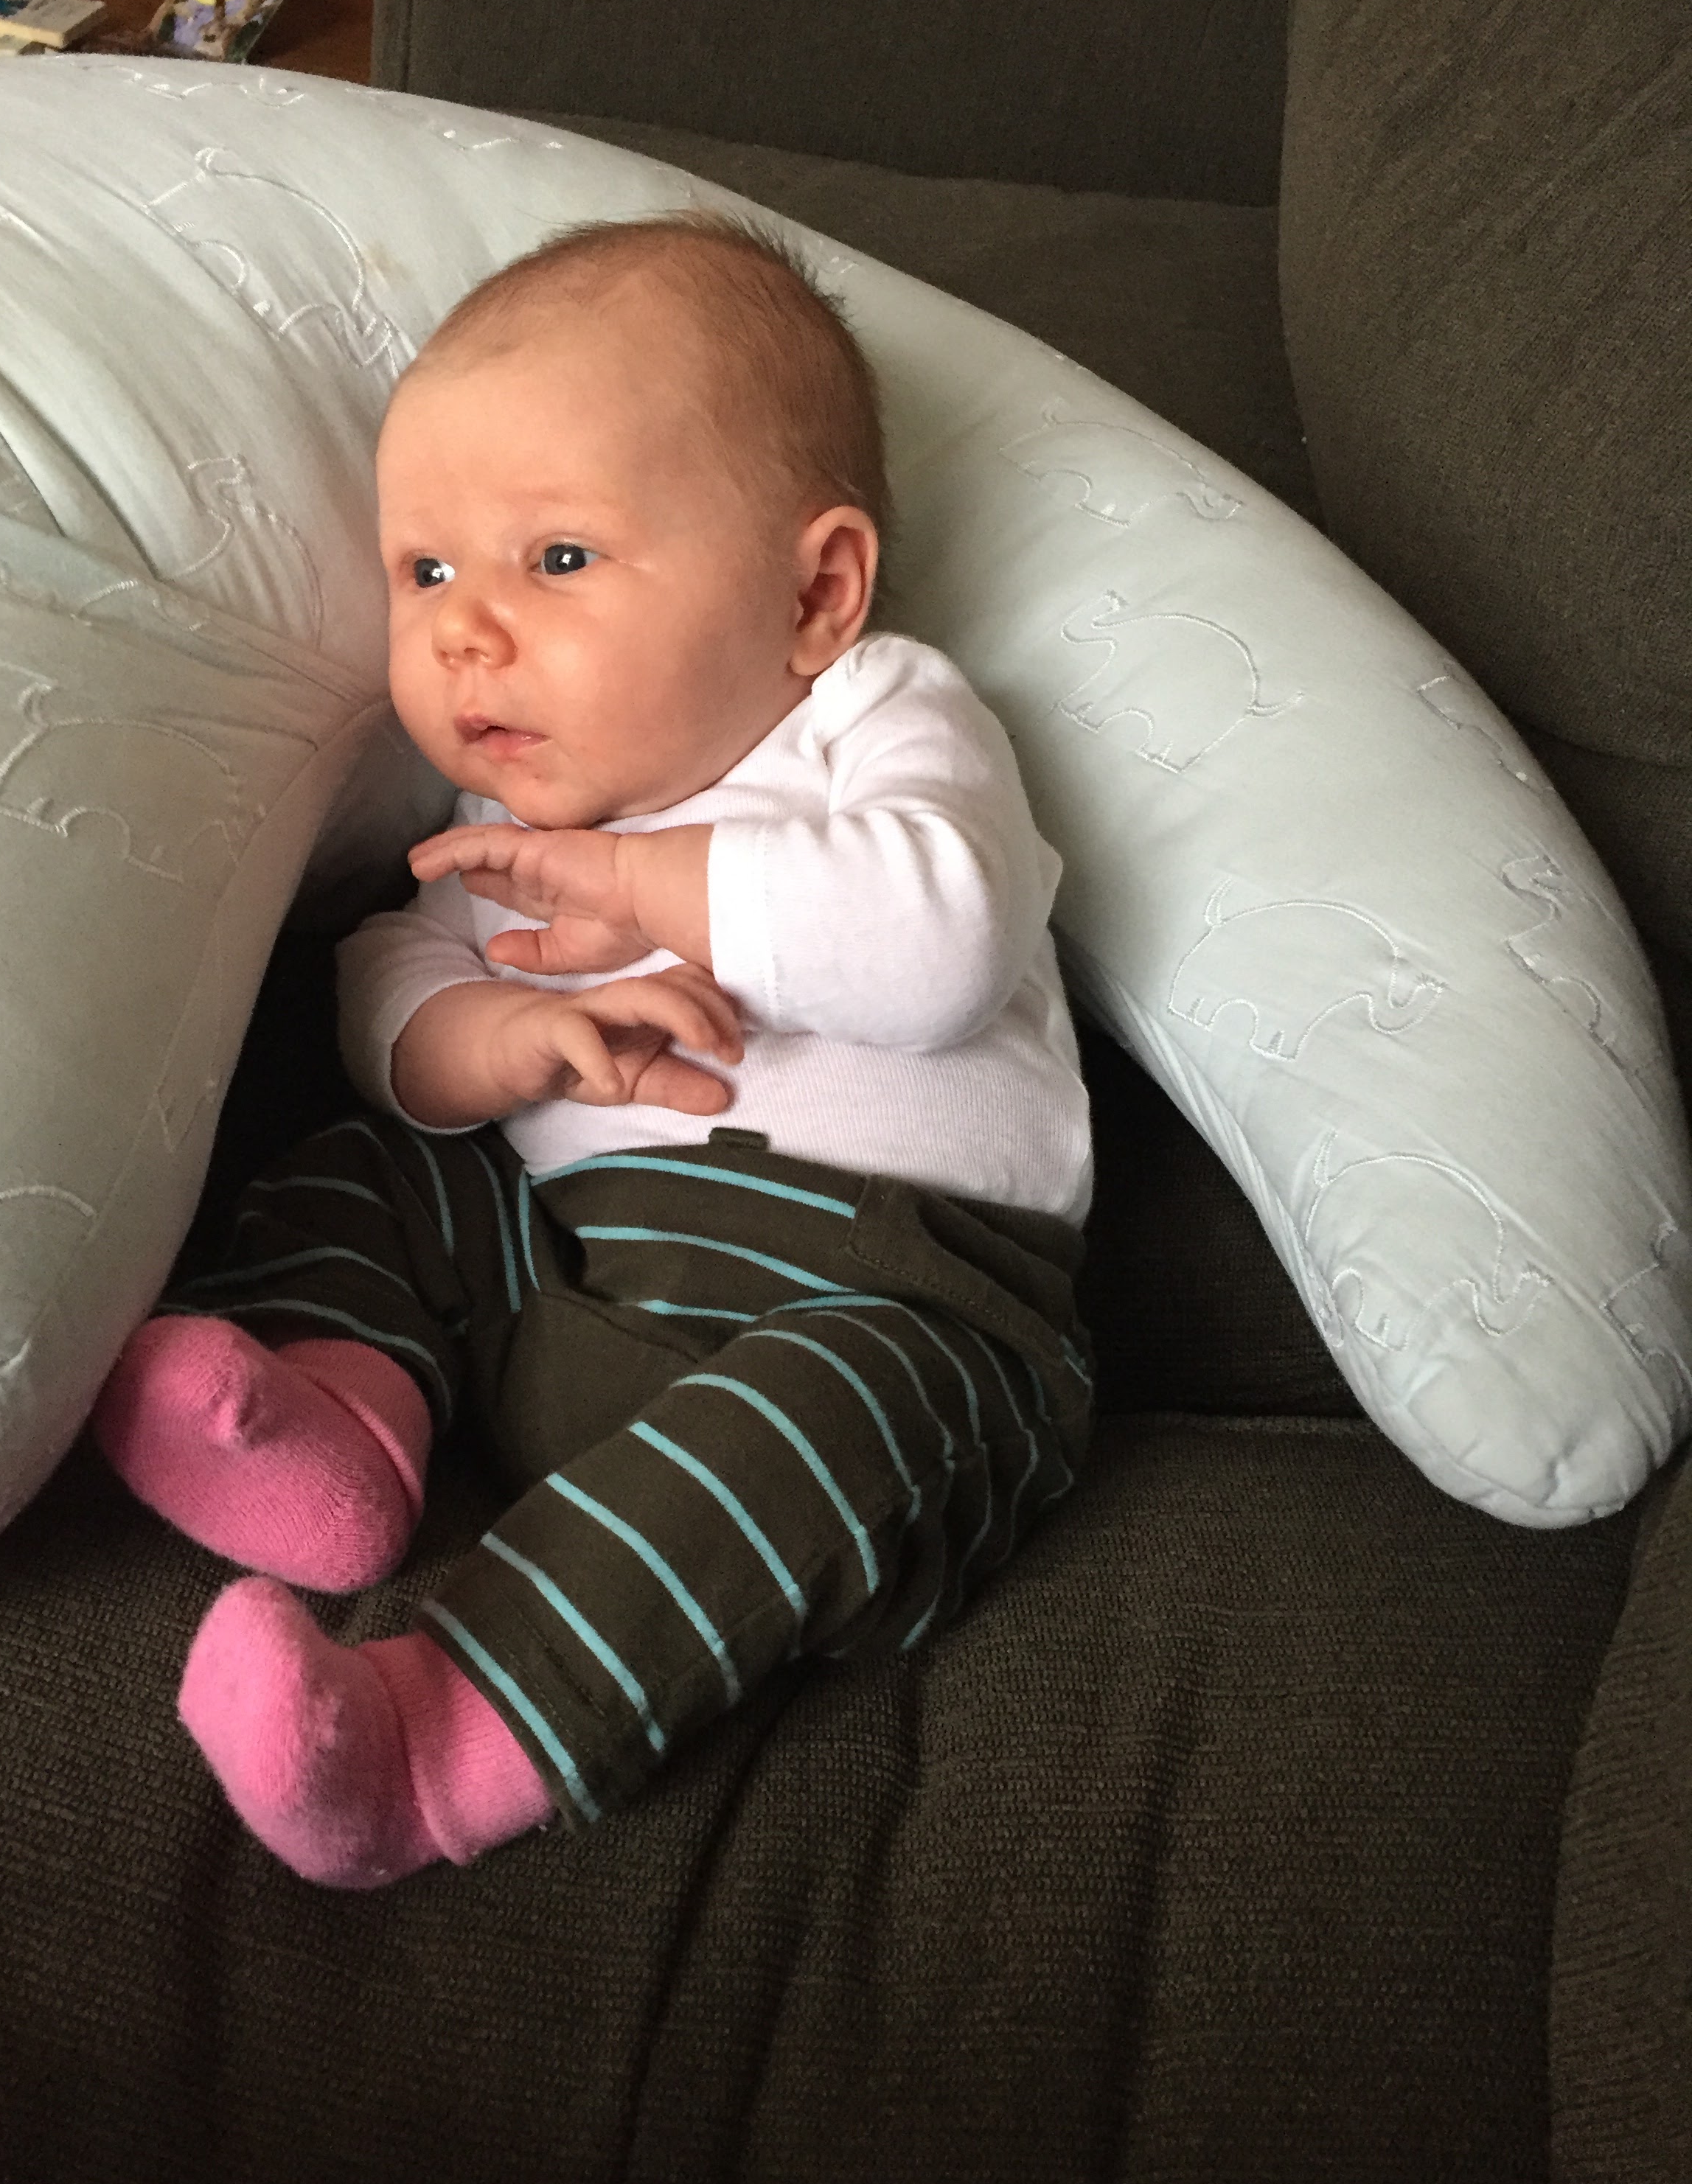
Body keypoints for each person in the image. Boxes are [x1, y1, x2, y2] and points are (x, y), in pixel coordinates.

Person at [92, 212, 1095, 1888]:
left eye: (555, 559)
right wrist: (511, 1039)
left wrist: (635, 886)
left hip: (893, 1301)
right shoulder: (493, 816)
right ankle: (340, 1425)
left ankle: (436, 1744)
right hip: (566, 1285)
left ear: (814, 592)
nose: (465, 632)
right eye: (427, 573)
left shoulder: (874, 721)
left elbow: (944, 941)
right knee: (384, 1158)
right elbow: (386, 991)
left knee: (848, 1410)